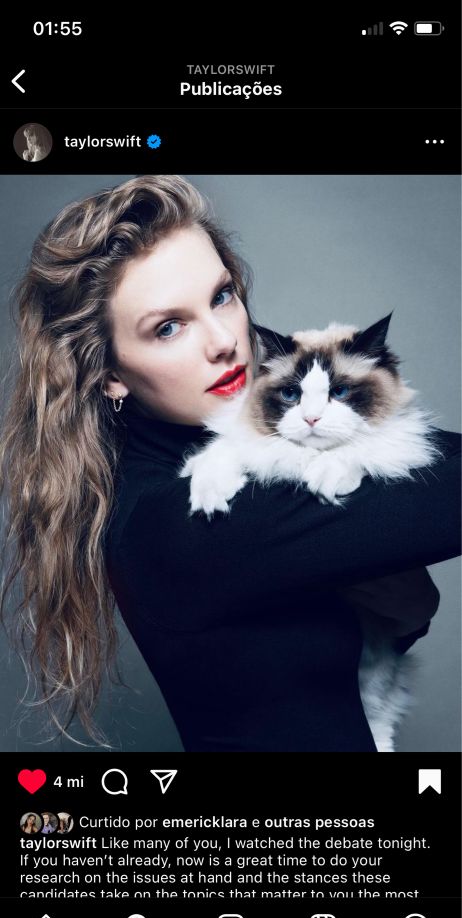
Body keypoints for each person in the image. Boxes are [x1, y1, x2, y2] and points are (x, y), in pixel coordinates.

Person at [0, 175, 460, 751]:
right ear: (110, 375)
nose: (224, 341)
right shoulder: (180, 516)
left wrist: (395, 601)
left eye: (221, 296)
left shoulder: (250, 454)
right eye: (168, 327)